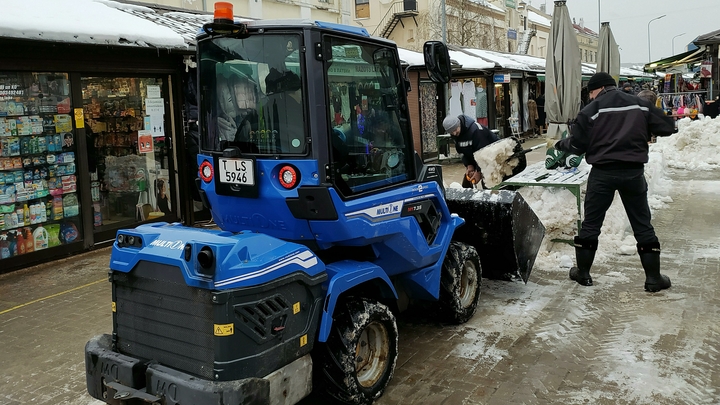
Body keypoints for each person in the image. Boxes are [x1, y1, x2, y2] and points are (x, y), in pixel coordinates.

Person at [554, 72, 675, 292]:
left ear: (596, 89)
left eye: (590, 93)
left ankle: (583, 274)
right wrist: (643, 129)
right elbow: (668, 126)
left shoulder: (590, 111)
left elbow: (578, 146)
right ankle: (653, 279)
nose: (590, 97)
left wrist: (561, 145)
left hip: (602, 174)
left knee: (591, 223)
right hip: (633, 173)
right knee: (642, 224)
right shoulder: (640, 104)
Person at [442, 114, 498, 188]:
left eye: (455, 130)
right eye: (451, 132)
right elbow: (462, 152)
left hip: (493, 157)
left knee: (487, 183)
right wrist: (469, 165)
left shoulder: (477, 131)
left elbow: (484, 154)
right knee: (467, 183)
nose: (454, 133)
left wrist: (478, 171)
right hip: (476, 158)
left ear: (459, 124)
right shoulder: (455, 136)